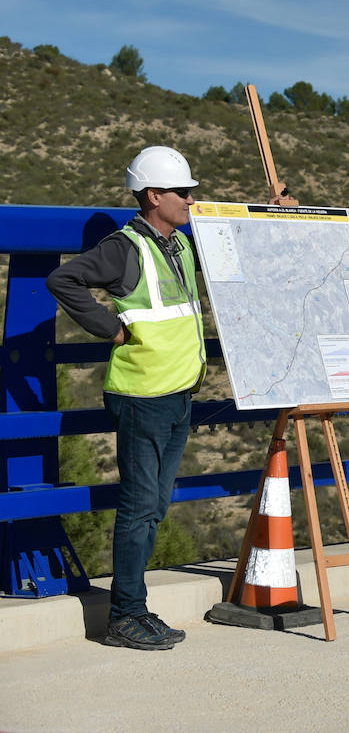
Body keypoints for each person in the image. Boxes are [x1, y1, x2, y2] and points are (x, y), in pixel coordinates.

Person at [47, 146, 206, 650]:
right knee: (140, 507)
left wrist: (277, 208)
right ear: (153, 195)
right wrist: (108, 329)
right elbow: (63, 279)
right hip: (144, 396)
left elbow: (236, 244)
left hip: (177, 392)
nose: (191, 200)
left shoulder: (178, 243)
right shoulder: (124, 247)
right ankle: (125, 615)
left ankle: (135, 608)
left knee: (155, 505)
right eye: (183, 192)